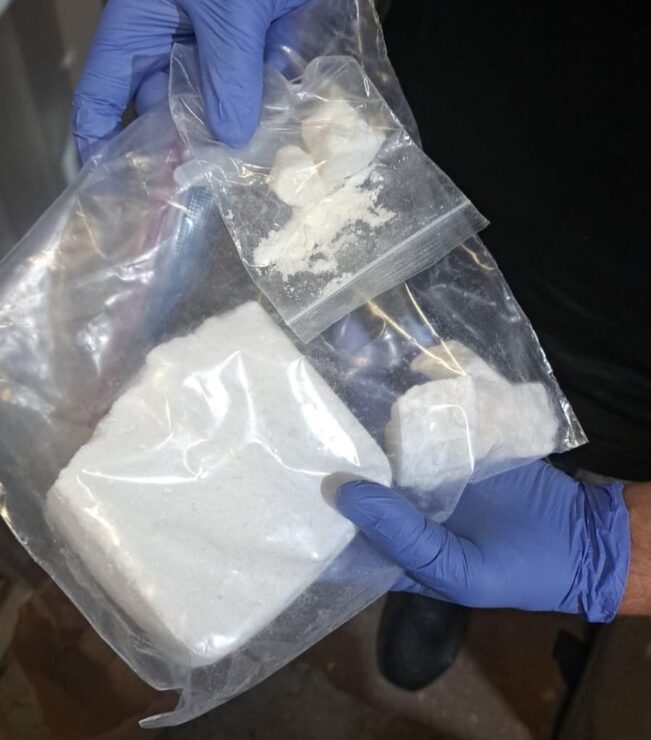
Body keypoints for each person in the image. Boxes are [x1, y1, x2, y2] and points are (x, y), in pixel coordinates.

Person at [73, 0, 651, 690]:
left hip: (621, 358)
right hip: (430, 114)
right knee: (350, 371)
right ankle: (430, 531)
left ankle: (446, 550)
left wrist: (619, 554)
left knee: (507, 454)